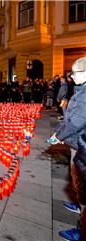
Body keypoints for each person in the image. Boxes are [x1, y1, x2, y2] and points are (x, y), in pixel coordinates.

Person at [48, 57, 86, 241]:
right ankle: (80, 205)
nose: (71, 76)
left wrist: (58, 135)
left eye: (75, 73)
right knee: (78, 180)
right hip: (79, 142)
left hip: (83, 144)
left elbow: (76, 120)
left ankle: (82, 229)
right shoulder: (81, 90)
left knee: (82, 182)